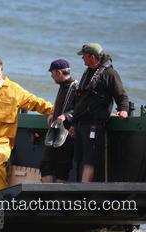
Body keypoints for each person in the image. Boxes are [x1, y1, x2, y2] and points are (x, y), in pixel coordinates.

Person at [0, 58, 54, 195]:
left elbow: (35, 102)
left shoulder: (14, 89)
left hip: (2, 138)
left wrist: (54, 110)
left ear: (2, 71)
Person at [72, 43, 129, 182]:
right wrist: (73, 123)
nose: (82, 59)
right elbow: (80, 101)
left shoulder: (110, 74)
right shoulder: (88, 72)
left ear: (92, 57)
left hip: (94, 124)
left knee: (89, 160)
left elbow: (121, 95)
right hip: (80, 123)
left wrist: (123, 110)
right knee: (79, 159)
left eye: (84, 56)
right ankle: (78, 190)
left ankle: (83, 192)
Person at [40, 59, 77, 183]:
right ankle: (48, 198)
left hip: (67, 134)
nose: (51, 76)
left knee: (63, 167)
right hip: (55, 132)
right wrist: (53, 113)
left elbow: (80, 108)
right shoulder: (63, 86)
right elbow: (62, 104)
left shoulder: (75, 87)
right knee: (46, 165)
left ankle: (56, 200)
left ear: (59, 72)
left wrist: (66, 116)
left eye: (52, 73)